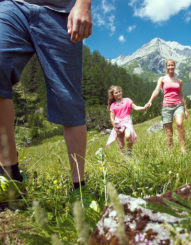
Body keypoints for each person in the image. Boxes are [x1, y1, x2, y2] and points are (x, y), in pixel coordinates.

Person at [0, 0, 92, 202]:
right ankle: (10, 180)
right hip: (11, 5)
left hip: (60, 11)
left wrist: (84, 4)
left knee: (68, 98)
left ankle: (80, 188)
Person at [145, 59, 189, 153]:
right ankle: (171, 151)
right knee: (168, 131)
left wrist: (185, 109)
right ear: (166, 67)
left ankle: (183, 149)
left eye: (172, 65)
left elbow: (181, 95)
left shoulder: (179, 81)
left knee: (179, 124)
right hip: (166, 107)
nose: (170, 67)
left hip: (178, 105)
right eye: (169, 65)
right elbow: (156, 90)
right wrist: (150, 101)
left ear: (175, 66)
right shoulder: (162, 79)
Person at [105, 86, 147, 155]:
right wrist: (115, 128)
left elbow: (136, 108)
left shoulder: (127, 100)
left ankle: (129, 152)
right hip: (118, 124)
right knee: (121, 146)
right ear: (113, 95)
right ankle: (123, 160)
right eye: (116, 93)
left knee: (128, 136)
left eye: (119, 91)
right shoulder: (113, 105)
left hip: (127, 122)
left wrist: (144, 107)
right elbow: (112, 118)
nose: (119, 93)